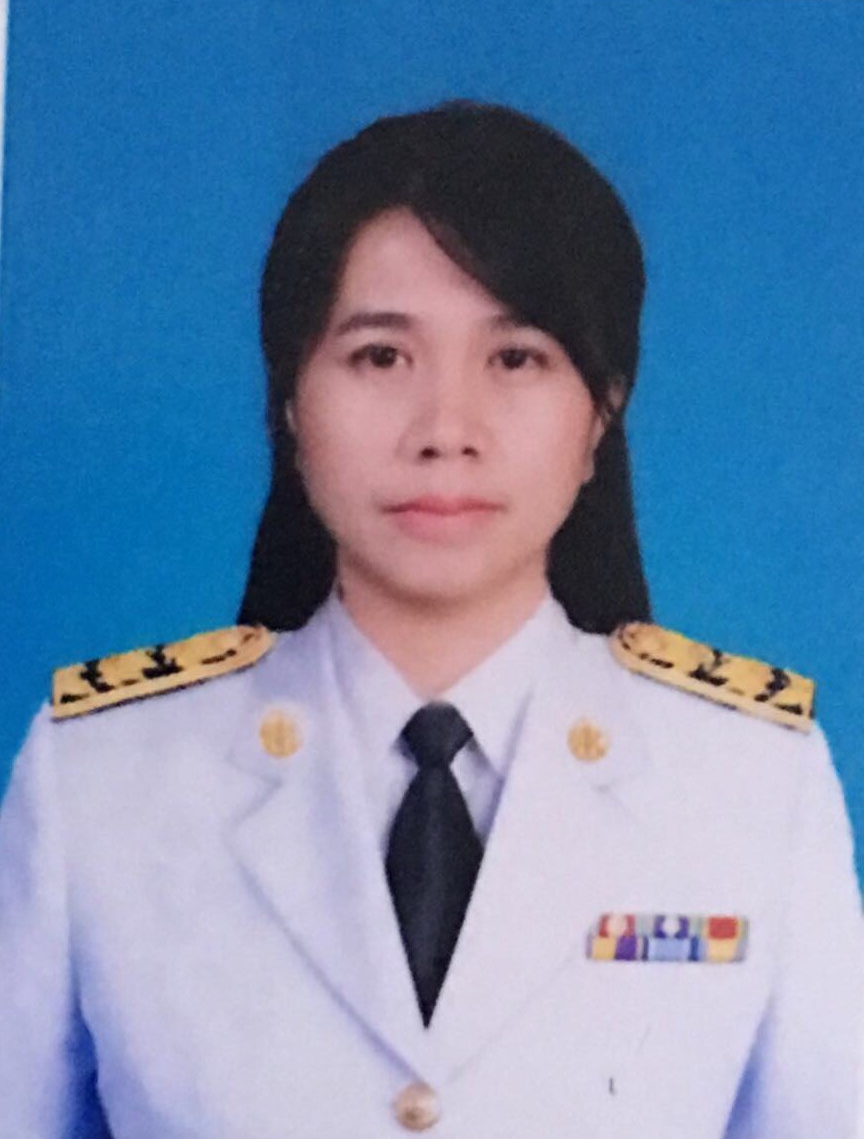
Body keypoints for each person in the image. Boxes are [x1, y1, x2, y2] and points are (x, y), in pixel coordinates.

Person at [0, 101, 860, 1139]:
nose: (446, 430)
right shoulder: (100, 781)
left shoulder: (753, 784)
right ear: (290, 401)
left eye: (516, 358)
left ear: (602, 411)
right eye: (380, 357)